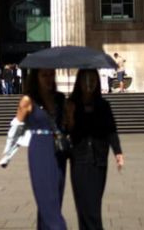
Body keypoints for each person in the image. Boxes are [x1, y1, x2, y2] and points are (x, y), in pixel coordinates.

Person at [66, 68, 123, 230]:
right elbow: (65, 131)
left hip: (99, 160)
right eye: (85, 80)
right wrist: (69, 118)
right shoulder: (71, 105)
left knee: (93, 205)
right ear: (79, 83)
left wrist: (118, 152)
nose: (89, 84)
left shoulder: (103, 106)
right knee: (83, 207)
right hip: (79, 159)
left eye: (92, 80)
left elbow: (111, 130)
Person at [14, 67, 68, 230]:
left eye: (51, 74)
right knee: (47, 199)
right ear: (36, 77)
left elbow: (66, 124)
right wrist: (7, 155)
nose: (48, 78)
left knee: (55, 199)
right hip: (39, 149)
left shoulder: (60, 98)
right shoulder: (28, 100)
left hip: (58, 150)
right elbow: (16, 128)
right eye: (44, 75)